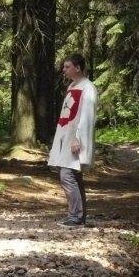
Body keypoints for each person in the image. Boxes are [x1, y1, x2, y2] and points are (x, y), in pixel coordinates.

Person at [47, 53, 97, 227]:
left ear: (78, 68)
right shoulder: (72, 86)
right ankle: (79, 216)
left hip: (75, 140)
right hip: (66, 137)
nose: (64, 70)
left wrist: (78, 138)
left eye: (67, 67)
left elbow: (87, 116)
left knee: (67, 175)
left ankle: (75, 216)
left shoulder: (88, 88)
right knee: (73, 175)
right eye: (64, 66)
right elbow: (67, 115)